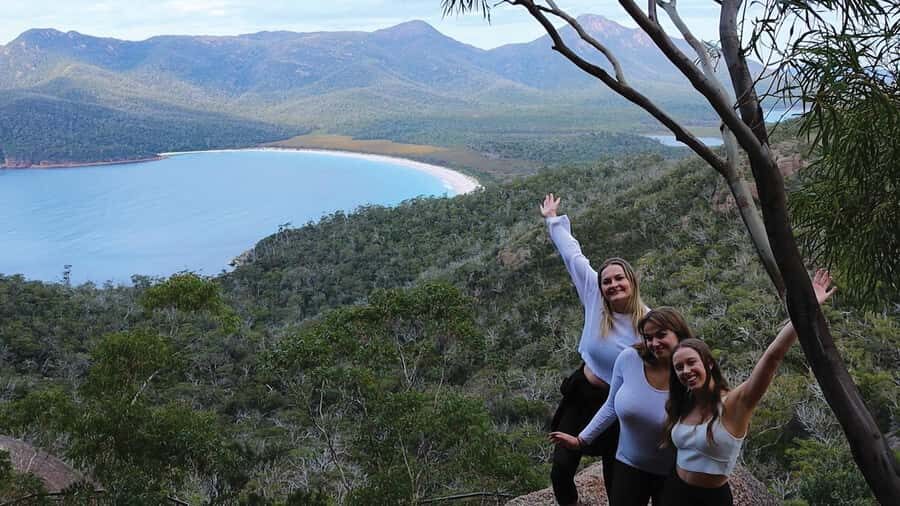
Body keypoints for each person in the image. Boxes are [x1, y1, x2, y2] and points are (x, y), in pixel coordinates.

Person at [661, 270, 835, 505]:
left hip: (711, 499)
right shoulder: (683, 404)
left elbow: (772, 357)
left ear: (709, 362)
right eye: (678, 367)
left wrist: (807, 308)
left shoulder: (736, 402)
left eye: (691, 362)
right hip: (674, 490)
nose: (685, 371)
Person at [540, 193, 649, 505]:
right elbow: (573, 255)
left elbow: (670, 360)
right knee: (561, 470)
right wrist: (553, 219)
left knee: (618, 482)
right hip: (582, 394)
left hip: (620, 404)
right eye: (607, 281)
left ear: (632, 282)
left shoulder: (648, 322)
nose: (612, 285)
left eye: (619, 279)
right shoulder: (595, 297)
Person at [550, 307, 691, 505]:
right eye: (648, 337)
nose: (654, 343)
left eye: (661, 335)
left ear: (679, 333)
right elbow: (611, 406)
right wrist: (581, 440)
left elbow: (712, 409)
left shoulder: (690, 369)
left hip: (673, 471)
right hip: (628, 465)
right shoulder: (629, 359)